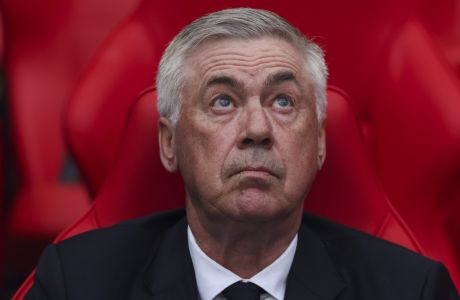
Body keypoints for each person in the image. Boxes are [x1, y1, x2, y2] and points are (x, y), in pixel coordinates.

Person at [26, 8, 458, 300]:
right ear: (169, 142)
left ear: (321, 142)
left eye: (284, 102)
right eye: (223, 102)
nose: (257, 130)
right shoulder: (76, 282)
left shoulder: (412, 289)